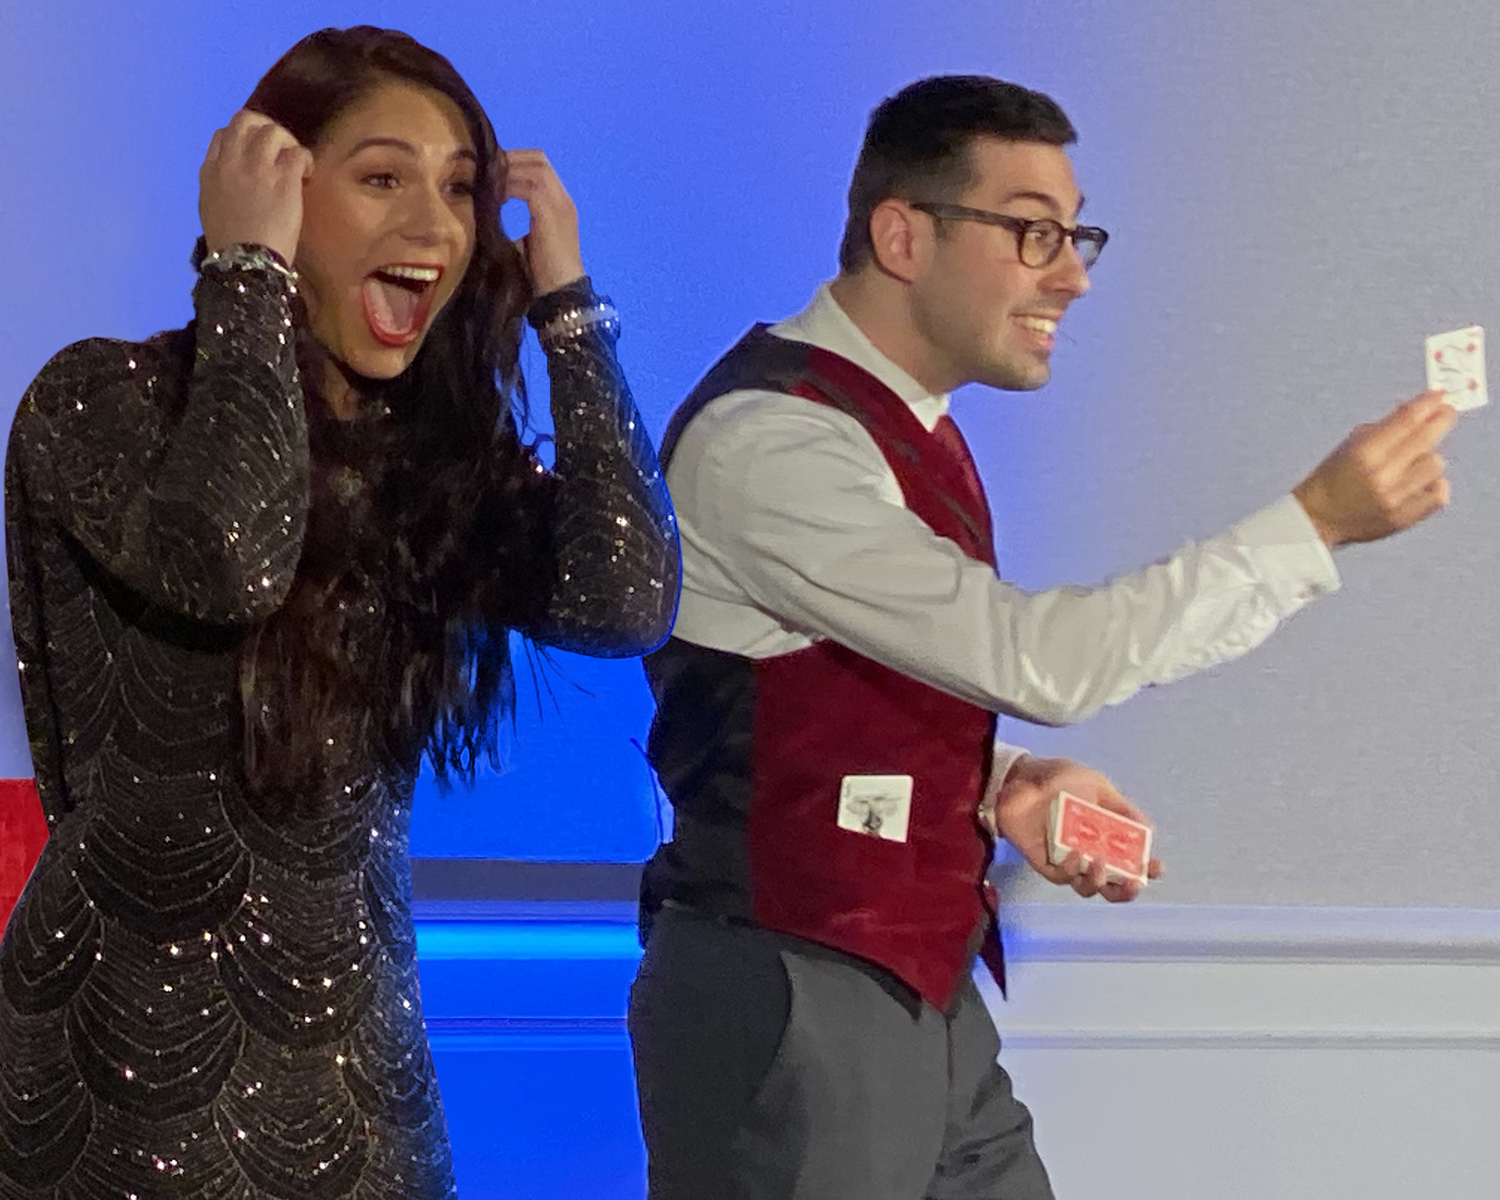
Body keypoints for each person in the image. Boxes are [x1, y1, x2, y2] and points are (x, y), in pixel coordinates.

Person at [627, 75, 1453, 1200]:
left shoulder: (903, 428)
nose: (1072, 274)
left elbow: (826, 690)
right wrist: (1312, 526)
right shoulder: (771, 444)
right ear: (903, 236)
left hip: (923, 989)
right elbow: (1036, 661)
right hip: (793, 985)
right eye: (1033, 233)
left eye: (1075, 236)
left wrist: (995, 779)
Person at [0, 25, 678, 1200]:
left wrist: (568, 305)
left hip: (360, 1074)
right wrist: (245, 274)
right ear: (277, 186)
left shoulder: (431, 466)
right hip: (115, 1070)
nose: (435, 226)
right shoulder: (100, 398)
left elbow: (625, 600)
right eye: (382, 178)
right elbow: (231, 556)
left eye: (458, 189)